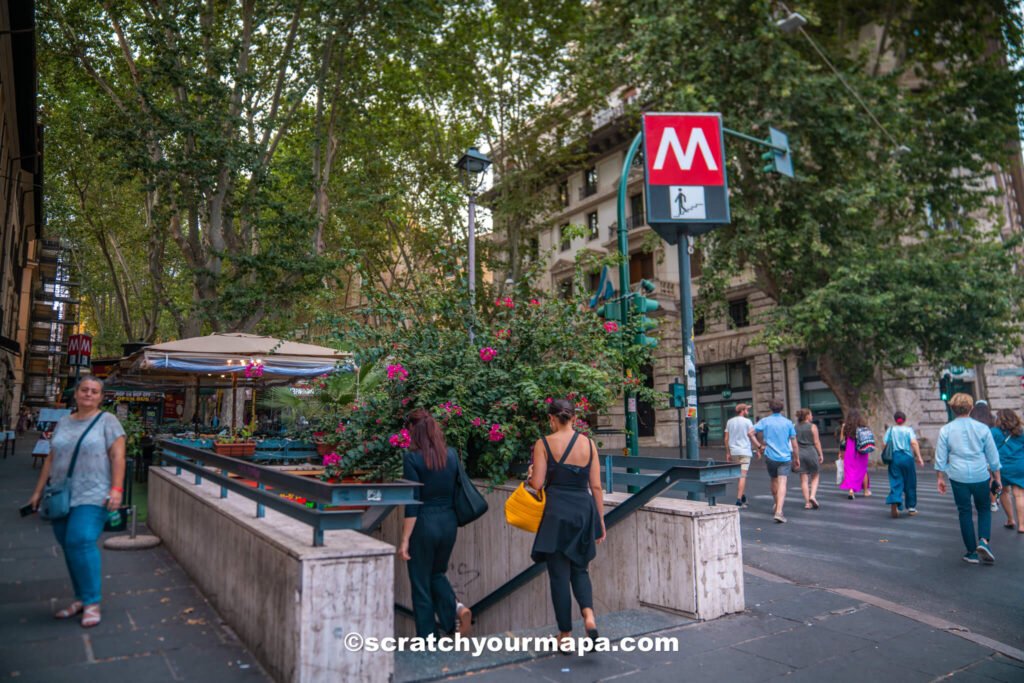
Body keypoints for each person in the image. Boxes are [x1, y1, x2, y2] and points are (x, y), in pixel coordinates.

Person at [27, 377, 126, 627]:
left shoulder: (108, 421)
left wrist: (116, 489)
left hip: (94, 492)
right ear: (77, 394)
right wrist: (38, 492)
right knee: (68, 545)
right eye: (85, 390)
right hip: (60, 493)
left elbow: (118, 457)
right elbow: (51, 458)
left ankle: (92, 601)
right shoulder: (64, 422)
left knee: (80, 540)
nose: (89, 394)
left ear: (101, 397)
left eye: (94, 391)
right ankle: (81, 598)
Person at [529, 398, 605, 649]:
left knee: (559, 576)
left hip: (556, 513)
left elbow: (537, 484)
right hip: (583, 511)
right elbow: (595, 486)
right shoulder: (589, 444)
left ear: (552, 419)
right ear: (574, 418)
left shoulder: (543, 444)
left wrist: (530, 475)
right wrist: (600, 522)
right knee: (580, 569)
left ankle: (565, 635)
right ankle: (589, 616)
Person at [397, 409, 471, 638]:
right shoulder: (450, 455)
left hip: (424, 523)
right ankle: (456, 611)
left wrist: (405, 539)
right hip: (448, 522)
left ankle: (428, 640)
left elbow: (413, 502)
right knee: (436, 573)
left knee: (420, 584)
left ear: (413, 431)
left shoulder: (411, 458)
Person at [935, 393, 1002, 564]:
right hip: (980, 474)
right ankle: (984, 541)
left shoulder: (946, 430)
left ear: (952, 408)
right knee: (984, 508)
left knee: (964, 511)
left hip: (958, 476)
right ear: (971, 408)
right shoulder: (982, 429)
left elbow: (941, 457)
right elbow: (993, 457)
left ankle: (971, 552)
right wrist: (997, 478)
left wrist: (940, 478)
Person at [752, 398, 799, 523]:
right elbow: (794, 443)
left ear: (770, 408)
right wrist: (796, 457)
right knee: (782, 482)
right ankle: (779, 511)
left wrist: (759, 446)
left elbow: (750, 432)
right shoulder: (788, 423)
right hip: (785, 457)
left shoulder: (765, 421)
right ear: (782, 408)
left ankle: (776, 503)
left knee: (773, 480)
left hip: (770, 456)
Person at [883, 411, 924, 518]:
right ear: (904, 419)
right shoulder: (908, 430)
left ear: (895, 420)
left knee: (896, 480)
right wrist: (919, 457)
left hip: (895, 458)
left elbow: (884, 444)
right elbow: (914, 443)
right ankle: (911, 508)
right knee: (910, 481)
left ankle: (895, 500)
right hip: (907, 458)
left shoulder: (890, 430)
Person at [992, 409, 1024, 532]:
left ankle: (1011, 520)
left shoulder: (994, 432)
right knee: (1019, 495)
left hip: (1001, 467)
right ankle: (1022, 525)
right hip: (1020, 465)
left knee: (1004, 492)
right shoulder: (1021, 431)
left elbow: (989, 450)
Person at [724, 404, 762, 508]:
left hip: (734, 451)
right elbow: (751, 436)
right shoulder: (748, 422)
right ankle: (739, 500)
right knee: (742, 475)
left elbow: (726, 439)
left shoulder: (730, 421)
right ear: (743, 410)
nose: (748, 411)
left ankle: (743, 495)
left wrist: (728, 452)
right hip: (745, 451)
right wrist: (757, 449)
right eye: (747, 409)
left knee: (739, 475)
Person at [970, 399, 999, 512]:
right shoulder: (993, 419)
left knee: (980, 479)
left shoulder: (971, 421)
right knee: (992, 478)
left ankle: (983, 501)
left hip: (977, 453)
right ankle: (993, 502)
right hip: (990, 452)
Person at [795, 409, 824, 510]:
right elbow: (816, 442)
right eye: (811, 414)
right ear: (807, 416)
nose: (812, 416)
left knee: (803, 479)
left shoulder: (795, 427)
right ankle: (812, 496)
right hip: (811, 452)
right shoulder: (813, 426)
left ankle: (807, 503)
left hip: (800, 453)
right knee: (815, 475)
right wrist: (821, 454)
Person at [839, 410, 871, 500]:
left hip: (849, 450)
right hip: (861, 450)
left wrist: (840, 452)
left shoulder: (845, 426)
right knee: (863, 470)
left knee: (849, 471)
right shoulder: (863, 426)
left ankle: (851, 490)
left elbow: (842, 441)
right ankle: (866, 491)